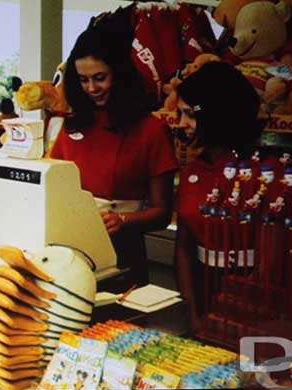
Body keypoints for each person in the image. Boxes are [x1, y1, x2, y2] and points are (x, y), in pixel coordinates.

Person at [49, 27, 178, 287]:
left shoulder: (151, 130)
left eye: (100, 78)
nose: (92, 88)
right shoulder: (70, 125)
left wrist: (123, 220)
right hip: (71, 250)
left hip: (123, 250)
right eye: (83, 80)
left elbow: (162, 213)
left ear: (120, 75)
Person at [174, 61, 265, 334]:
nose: (181, 124)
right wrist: (191, 312)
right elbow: (184, 248)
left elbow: (270, 263)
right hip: (202, 292)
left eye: (189, 114)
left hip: (253, 300)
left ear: (216, 114)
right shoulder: (193, 169)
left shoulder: (263, 173)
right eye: (180, 114)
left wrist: (234, 309)